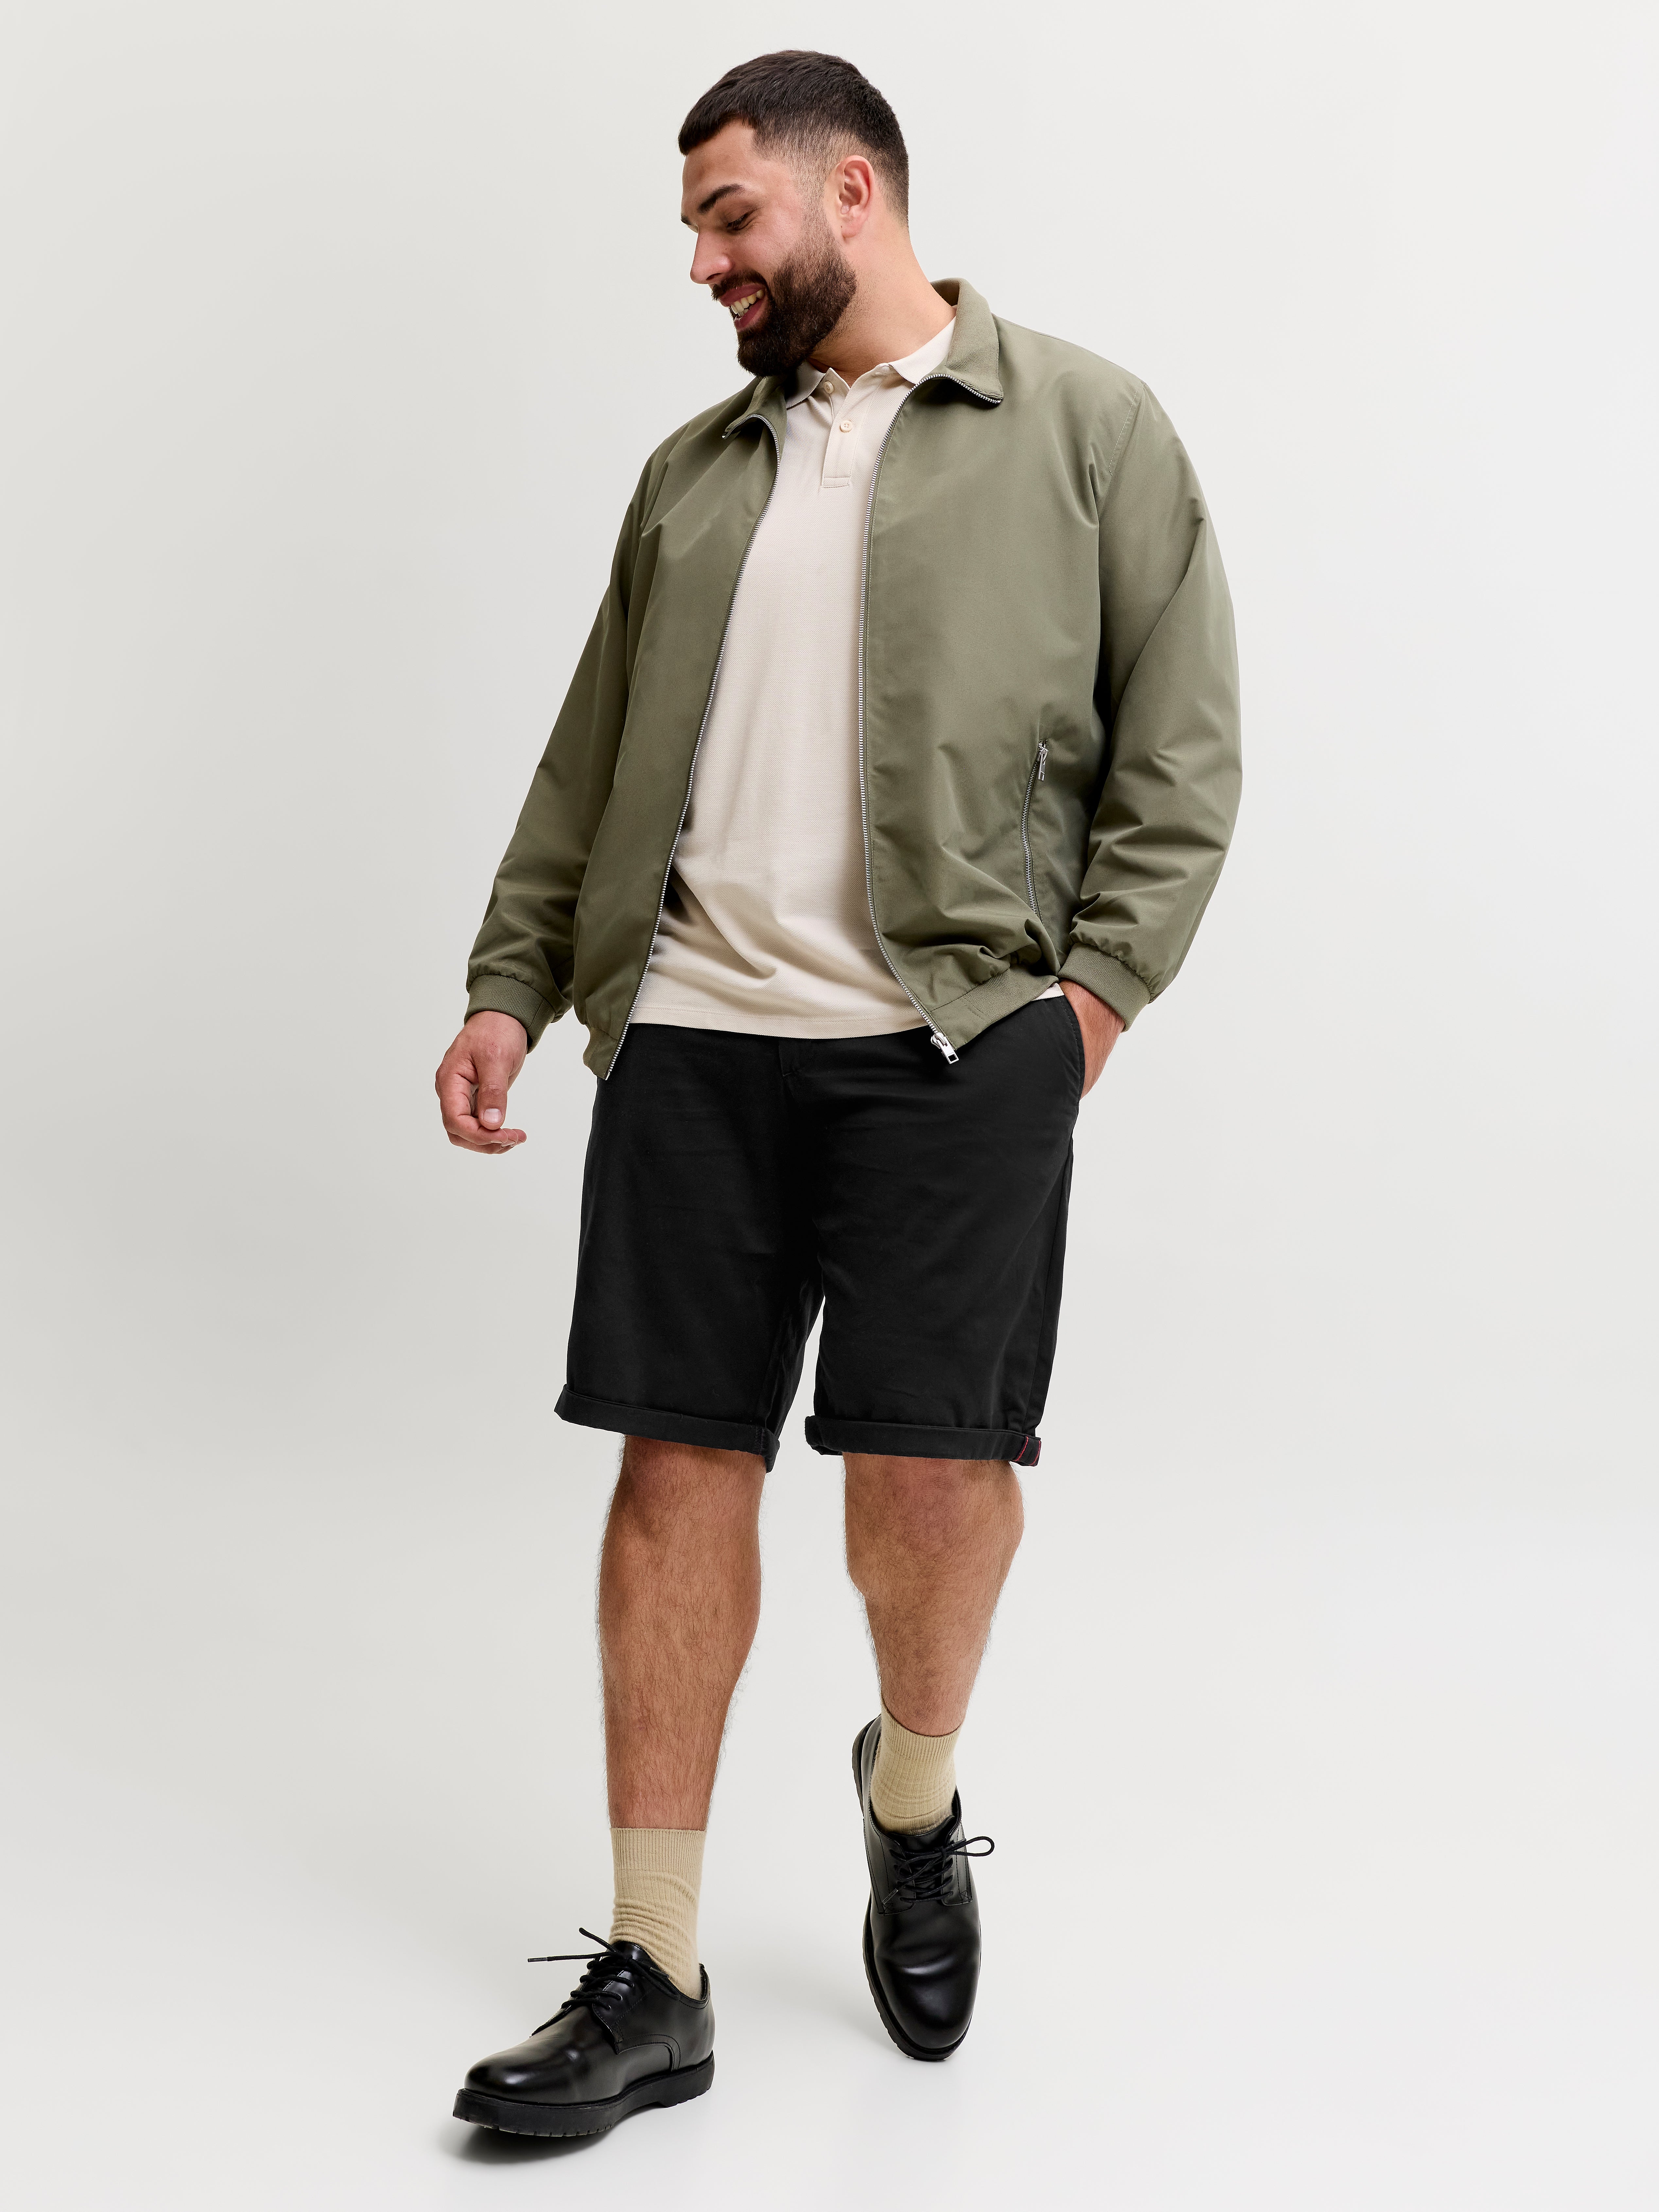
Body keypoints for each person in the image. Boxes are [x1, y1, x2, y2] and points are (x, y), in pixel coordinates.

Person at [437, 49, 1241, 2139]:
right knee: (674, 1469)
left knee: (927, 1485)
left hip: (955, 1050)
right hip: (695, 1039)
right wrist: (515, 980)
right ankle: (657, 1968)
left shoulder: (1085, 429)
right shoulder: (694, 475)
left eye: (731, 217)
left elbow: (1181, 752)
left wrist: (1085, 1012)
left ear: (852, 192)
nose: (704, 263)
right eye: (694, 229)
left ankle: (911, 1797)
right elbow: (588, 751)